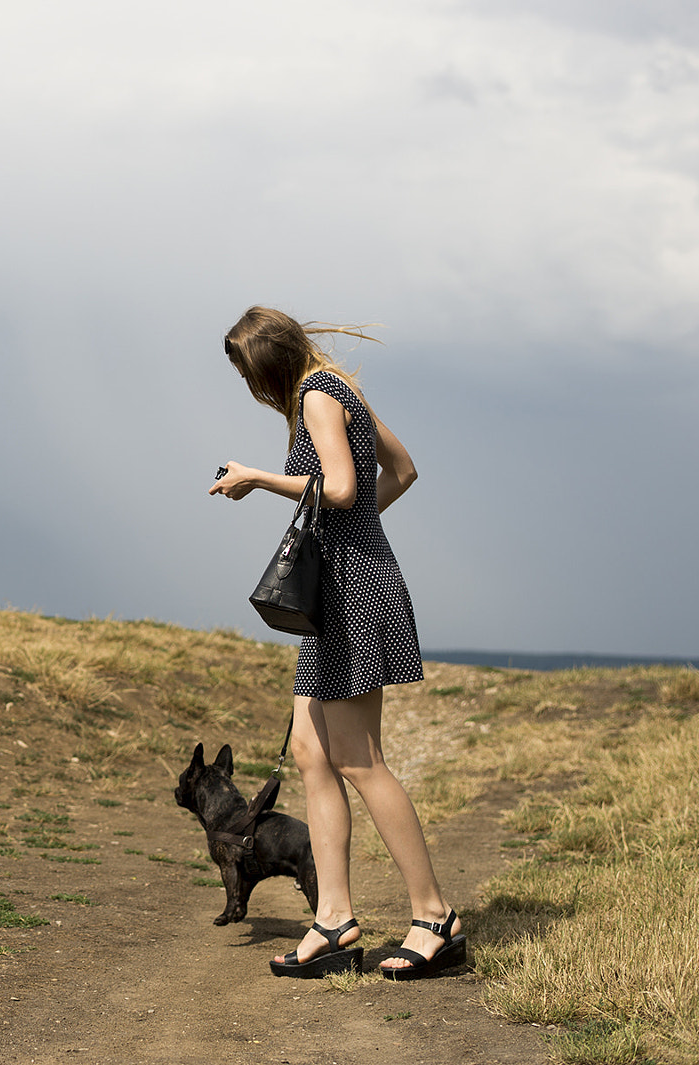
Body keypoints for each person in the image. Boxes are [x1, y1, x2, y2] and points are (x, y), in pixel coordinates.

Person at [209, 306, 466, 981]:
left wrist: (259, 476)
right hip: (340, 586)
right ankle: (334, 918)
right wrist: (351, 536)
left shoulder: (318, 395)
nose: (250, 389)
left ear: (268, 368)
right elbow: (403, 471)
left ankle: (435, 915)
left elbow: (346, 488)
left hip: (351, 593)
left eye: (248, 376)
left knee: (358, 759)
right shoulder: (335, 386)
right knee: (309, 749)